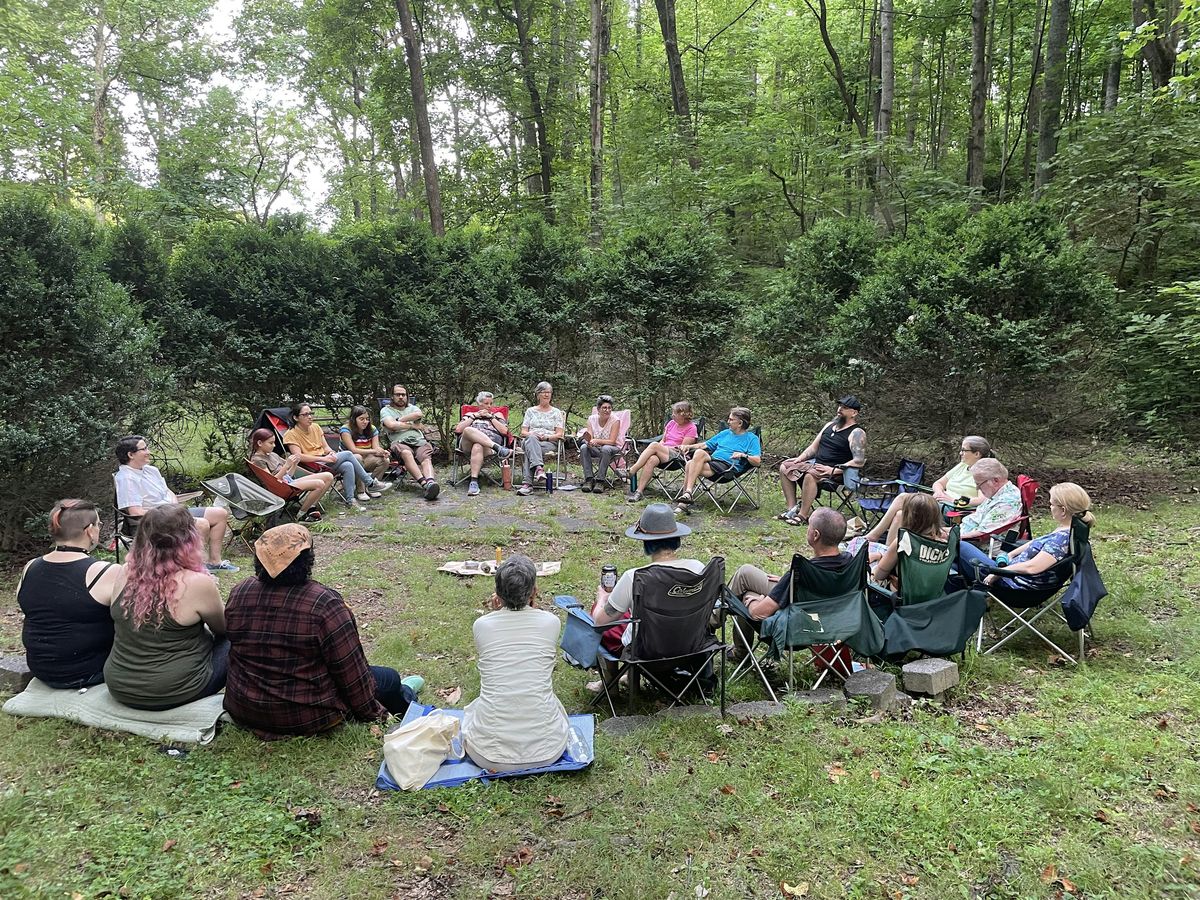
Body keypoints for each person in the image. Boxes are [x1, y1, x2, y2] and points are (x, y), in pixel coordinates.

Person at [223, 524, 422, 740]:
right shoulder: (324, 604)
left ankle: (405, 693)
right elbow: (351, 674)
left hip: (244, 708)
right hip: (305, 715)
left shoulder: (240, 591)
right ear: (307, 560)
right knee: (389, 679)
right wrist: (376, 714)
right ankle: (408, 699)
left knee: (383, 678)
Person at [104, 505, 229, 710]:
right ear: (190, 539)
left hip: (120, 687)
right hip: (175, 690)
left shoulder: (125, 571)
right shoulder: (196, 583)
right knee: (236, 637)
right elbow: (224, 629)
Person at [461, 554, 570, 772]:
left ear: (497, 596)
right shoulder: (551, 623)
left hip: (488, 755)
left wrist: (496, 612)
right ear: (534, 592)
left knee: (474, 710)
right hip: (548, 752)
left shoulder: (482, 625)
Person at [16, 499, 123, 689]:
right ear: (90, 530)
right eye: (98, 525)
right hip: (89, 671)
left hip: (41, 668)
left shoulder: (30, 567)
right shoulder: (104, 572)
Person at [726, 507, 853, 648]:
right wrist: (787, 582)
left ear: (815, 535)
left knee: (748, 593)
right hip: (832, 622)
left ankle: (710, 626)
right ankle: (713, 623)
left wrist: (753, 601)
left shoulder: (802, 572)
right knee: (746, 572)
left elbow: (758, 614)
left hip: (796, 629)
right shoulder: (850, 564)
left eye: (809, 525)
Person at [114, 435, 239, 573]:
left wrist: (174, 507)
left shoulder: (151, 470)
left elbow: (168, 492)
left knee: (220, 513)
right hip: (155, 520)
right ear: (131, 454)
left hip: (172, 511)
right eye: (144, 449)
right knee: (201, 524)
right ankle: (194, 568)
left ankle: (215, 562)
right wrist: (167, 513)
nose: (148, 452)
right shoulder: (127, 478)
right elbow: (135, 512)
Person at [957, 483, 1094, 591]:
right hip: (1011, 572)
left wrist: (999, 572)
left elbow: (1033, 568)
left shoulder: (1061, 540)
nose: (1050, 507)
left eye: (1052, 504)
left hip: (1014, 583)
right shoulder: (1071, 530)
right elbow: (1036, 543)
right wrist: (1010, 555)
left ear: (1063, 510)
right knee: (957, 555)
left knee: (960, 545)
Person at [861, 436, 992, 546]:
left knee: (902, 498)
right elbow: (938, 483)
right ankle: (887, 552)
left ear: (977, 454)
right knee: (900, 515)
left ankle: (873, 535)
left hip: (952, 511)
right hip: (938, 502)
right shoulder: (962, 466)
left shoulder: (983, 473)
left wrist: (953, 500)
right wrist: (940, 492)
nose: (960, 453)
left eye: (964, 450)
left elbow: (982, 500)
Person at [283, 403, 394, 511]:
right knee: (349, 454)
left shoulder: (315, 427)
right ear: (296, 418)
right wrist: (323, 459)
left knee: (348, 465)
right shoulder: (291, 434)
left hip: (324, 461)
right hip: (311, 465)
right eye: (305, 415)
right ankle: (370, 483)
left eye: (310, 413)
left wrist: (330, 452)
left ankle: (350, 500)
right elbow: (298, 457)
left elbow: (326, 447)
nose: (310, 417)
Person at [777, 396, 867, 526]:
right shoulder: (829, 426)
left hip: (837, 473)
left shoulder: (856, 433)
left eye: (845, 408)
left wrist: (834, 470)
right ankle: (791, 509)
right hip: (817, 464)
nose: (840, 409)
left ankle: (803, 515)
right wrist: (800, 459)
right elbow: (814, 448)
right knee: (785, 467)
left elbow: (859, 461)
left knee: (811, 475)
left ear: (854, 413)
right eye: (840, 406)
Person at [673, 407, 762, 513]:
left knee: (690, 464)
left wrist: (744, 455)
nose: (728, 422)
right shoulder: (725, 433)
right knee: (699, 453)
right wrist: (689, 446)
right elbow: (704, 445)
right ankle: (687, 494)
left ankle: (684, 501)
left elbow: (757, 461)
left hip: (728, 468)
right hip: (713, 461)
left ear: (740, 423)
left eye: (731, 419)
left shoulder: (751, 439)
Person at [249, 428, 334, 522]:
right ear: (260, 443)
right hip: (280, 488)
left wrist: (294, 464)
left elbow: (288, 475)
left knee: (328, 476)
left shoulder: (272, 455)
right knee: (319, 484)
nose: (274, 445)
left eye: (274, 442)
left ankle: (310, 507)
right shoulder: (257, 460)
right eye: (271, 443)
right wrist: (286, 466)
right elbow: (272, 481)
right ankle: (301, 515)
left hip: (288, 482)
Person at [868, 492, 950, 589]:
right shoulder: (944, 543)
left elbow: (880, 574)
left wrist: (873, 568)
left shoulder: (903, 542)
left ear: (907, 517)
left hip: (903, 594)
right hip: (931, 592)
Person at [624, 401, 698, 503]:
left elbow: (683, 448)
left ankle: (632, 470)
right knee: (651, 459)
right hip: (664, 453)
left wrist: (661, 448)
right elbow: (663, 440)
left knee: (654, 445)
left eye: (675, 413)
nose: (672, 415)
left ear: (683, 414)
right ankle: (639, 492)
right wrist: (661, 447)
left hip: (678, 457)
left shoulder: (691, 428)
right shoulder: (671, 424)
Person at [380, 385, 440, 501]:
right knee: (406, 453)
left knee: (426, 457)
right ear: (392, 396)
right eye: (398, 395)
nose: (401, 397)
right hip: (399, 441)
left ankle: (431, 482)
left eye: (404, 395)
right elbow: (391, 425)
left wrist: (398, 421)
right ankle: (424, 484)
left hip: (419, 440)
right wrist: (413, 425)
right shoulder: (386, 410)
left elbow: (418, 415)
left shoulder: (413, 408)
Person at [453, 391, 513, 497]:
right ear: (479, 404)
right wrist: (474, 417)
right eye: (486, 403)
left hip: (487, 448)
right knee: (467, 430)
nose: (489, 406)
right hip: (467, 445)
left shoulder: (497, 415)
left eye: (491, 403)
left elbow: (504, 431)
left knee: (478, 445)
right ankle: (499, 449)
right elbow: (458, 429)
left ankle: (474, 482)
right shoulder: (469, 415)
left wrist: (491, 417)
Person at [517, 381, 566, 496]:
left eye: (549, 392)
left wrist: (547, 437)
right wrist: (532, 434)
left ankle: (527, 485)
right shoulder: (530, 411)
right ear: (538, 395)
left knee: (531, 450)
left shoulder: (556, 412)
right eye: (544, 392)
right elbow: (523, 432)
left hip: (548, 443)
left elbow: (559, 434)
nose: (546, 395)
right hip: (530, 440)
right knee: (531, 439)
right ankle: (539, 468)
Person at [957, 457, 1022, 543]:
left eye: (979, 484)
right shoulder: (997, 494)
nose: (977, 488)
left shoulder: (1007, 502)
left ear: (995, 481)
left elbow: (981, 534)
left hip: (973, 544)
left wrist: (950, 538)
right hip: (963, 534)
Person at [579, 394, 624, 494]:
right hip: (596, 448)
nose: (607, 410)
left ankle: (600, 481)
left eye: (609, 408)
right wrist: (589, 442)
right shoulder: (591, 419)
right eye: (604, 408)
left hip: (613, 449)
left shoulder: (615, 420)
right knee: (584, 447)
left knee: (606, 449)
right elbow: (590, 436)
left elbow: (612, 441)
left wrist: (597, 441)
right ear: (598, 409)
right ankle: (589, 479)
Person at [339, 406, 391, 483]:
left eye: (367, 419)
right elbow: (353, 450)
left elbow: (376, 448)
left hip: (366, 458)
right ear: (353, 420)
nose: (365, 422)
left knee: (385, 461)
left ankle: (372, 485)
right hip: (349, 461)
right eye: (361, 419)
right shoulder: (346, 430)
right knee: (358, 458)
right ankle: (361, 491)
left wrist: (382, 452)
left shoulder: (372, 429)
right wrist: (373, 451)